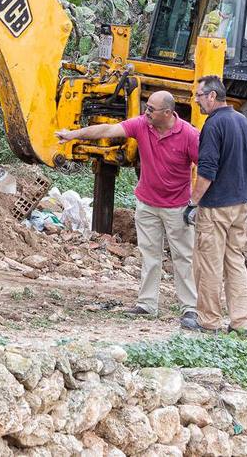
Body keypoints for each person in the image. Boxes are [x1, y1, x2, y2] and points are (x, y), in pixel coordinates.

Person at [55, 91, 201, 329]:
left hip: (177, 207)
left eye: (151, 109)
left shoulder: (188, 135)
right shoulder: (142, 125)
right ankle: (146, 304)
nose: (146, 112)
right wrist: (73, 135)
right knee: (149, 255)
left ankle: (190, 309)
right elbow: (106, 131)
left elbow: (205, 166)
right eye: (147, 108)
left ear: (167, 112)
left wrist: (196, 202)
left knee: (182, 257)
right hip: (147, 204)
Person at [185, 75, 247, 334]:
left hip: (217, 205)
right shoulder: (241, 120)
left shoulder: (213, 125)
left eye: (199, 96)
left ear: (212, 96)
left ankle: (208, 321)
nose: (197, 101)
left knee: (209, 264)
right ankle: (241, 322)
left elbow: (207, 170)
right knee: (235, 261)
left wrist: (193, 202)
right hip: (242, 202)